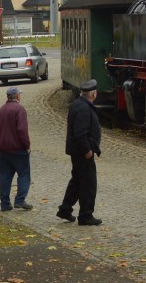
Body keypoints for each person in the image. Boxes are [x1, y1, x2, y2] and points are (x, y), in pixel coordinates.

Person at [56, 79, 102, 226]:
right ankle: (86, 215)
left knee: (77, 181)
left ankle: (65, 209)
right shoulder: (83, 108)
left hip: (77, 151)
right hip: (82, 152)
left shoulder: (78, 104)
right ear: (94, 94)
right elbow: (80, 133)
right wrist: (87, 150)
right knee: (88, 183)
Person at [0, 85, 32, 212]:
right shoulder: (19, 109)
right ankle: (20, 200)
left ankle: (5, 204)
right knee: (24, 174)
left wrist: (1, 141)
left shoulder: (0, 110)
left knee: (4, 176)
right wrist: (27, 146)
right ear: (18, 96)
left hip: (4, 150)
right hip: (18, 150)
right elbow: (22, 130)